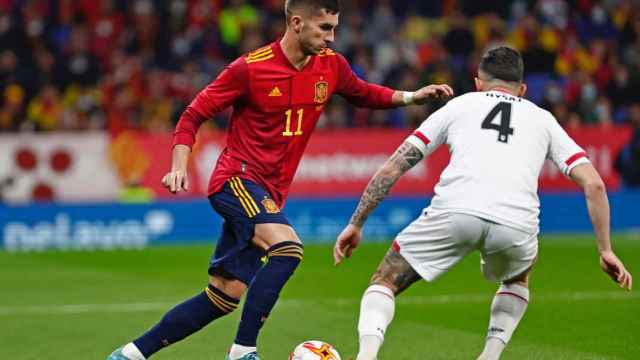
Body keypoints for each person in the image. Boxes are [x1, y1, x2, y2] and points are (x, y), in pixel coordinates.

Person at [107, 1, 453, 359]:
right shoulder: (249, 69)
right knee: (288, 249)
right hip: (235, 180)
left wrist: (413, 97)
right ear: (297, 23)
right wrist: (179, 164)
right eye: (324, 28)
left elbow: (363, 93)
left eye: (334, 28)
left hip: (268, 193)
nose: (331, 37)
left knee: (222, 296)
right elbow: (193, 115)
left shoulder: (330, 65)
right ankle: (242, 352)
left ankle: (129, 354)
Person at [333, 46, 633, 360]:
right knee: (519, 275)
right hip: (515, 225)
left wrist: (356, 223)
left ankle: (366, 355)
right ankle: (489, 356)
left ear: (478, 83)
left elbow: (393, 167)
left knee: (385, 279)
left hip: (454, 212)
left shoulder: (460, 106)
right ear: (523, 90)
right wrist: (606, 250)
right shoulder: (543, 119)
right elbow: (595, 184)